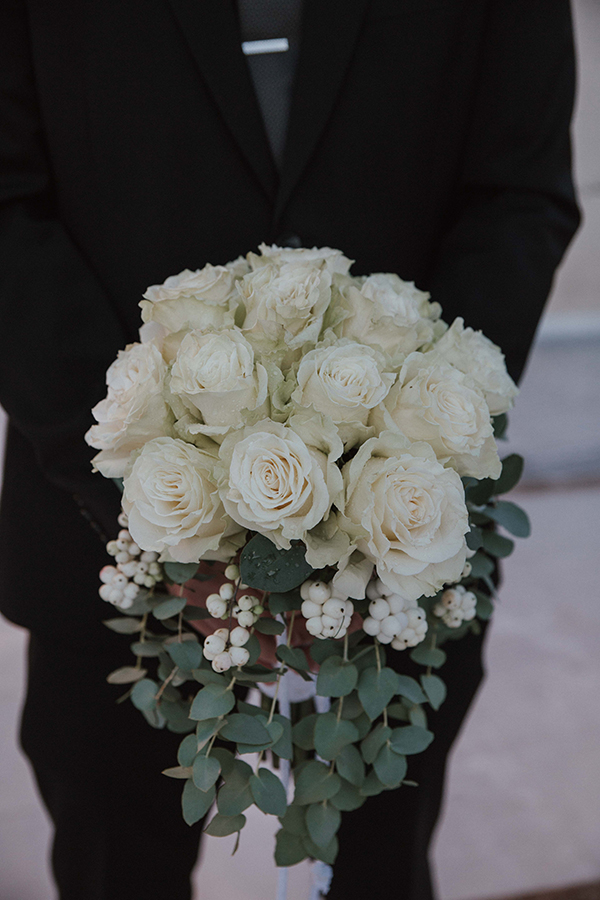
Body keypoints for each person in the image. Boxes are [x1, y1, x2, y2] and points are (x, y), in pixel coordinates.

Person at [0, 1, 580, 898]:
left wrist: (398, 456)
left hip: (402, 543)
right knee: (117, 862)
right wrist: (150, 475)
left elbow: (519, 191)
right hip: (97, 525)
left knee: (378, 864)